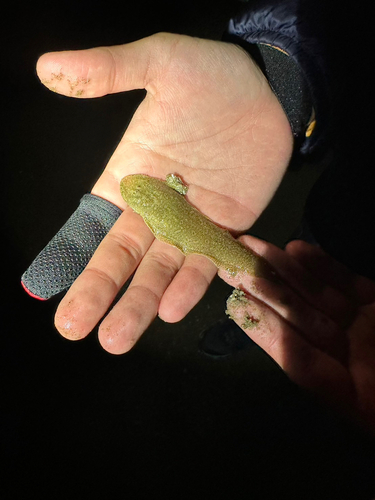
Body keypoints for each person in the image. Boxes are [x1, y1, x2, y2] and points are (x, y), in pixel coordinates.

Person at [21, 1, 375, 431]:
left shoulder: (155, 197)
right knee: (312, 256)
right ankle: (254, 316)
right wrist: (282, 80)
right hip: (347, 195)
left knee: (296, 275)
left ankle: (255, 315)